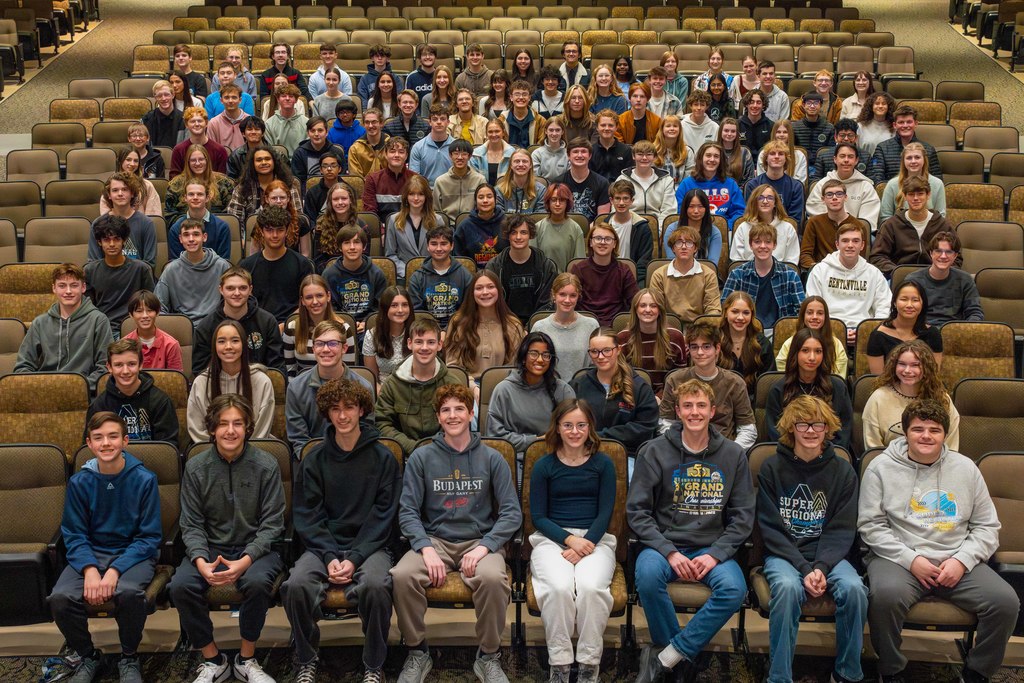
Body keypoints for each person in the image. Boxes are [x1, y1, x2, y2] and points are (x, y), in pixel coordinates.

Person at [858, 399, 1018, 683]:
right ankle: (891, 669)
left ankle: (977, 670)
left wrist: (961, 560)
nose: (926, 436)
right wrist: (912, 560)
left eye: (934, 430)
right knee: (884, 597)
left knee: (1005, 602)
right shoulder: (880, 468)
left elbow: (987, 526)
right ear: (905, 433)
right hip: (900, 559)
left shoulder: (966, 468)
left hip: (955, 558)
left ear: (945, 434)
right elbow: (871, 526)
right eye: (918, 429)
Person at [391, 384, 521, 682]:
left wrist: (484, 547)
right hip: (435, 540)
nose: (453, 416)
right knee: (401, 575)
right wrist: (425, 548)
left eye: (459, 409)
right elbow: (408, 511)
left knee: (491, 579)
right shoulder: (422, 458)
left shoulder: (492, 458)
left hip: (479, 541)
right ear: (438, 417)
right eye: (446, 410)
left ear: (471, 413)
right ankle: (417, 652)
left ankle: (488, 656)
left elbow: (512, 512)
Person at [629, 377, 753, 683]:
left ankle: (668, 656)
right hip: (665, 546)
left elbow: (742, 516)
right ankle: (679, 660)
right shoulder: (654, 451)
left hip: (710, 548)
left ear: (713, 411)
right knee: (646, 576)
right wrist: (668, 552)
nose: (694, 412)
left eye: (701, 406)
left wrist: (715, 555)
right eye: (687, 406)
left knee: (735, 589)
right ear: (678, 412)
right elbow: (637, 512)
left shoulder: (733, 455)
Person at [284, 377, 399, 683]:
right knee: (296, 585)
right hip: (325, 546)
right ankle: (307, 657)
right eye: (335, 409)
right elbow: (308, 515)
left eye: (349, 407)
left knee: (376, 586)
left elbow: (383, 516)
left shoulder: (384, 458)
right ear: (326, 414)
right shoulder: (314, 460)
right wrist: (330, 556)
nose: (343, 415)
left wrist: (355, 557)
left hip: (370, 546)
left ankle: (374, 664)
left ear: (362, 410)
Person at [169, 394, 285, 683]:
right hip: (210, 547)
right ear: (212, 429)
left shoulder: (267, 465)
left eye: (237, 423)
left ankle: (246, 659)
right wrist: (199, 560)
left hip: (254, 549)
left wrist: (245, 561)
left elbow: (273, 524)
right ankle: (214, 660)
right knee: (180, 586)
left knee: (258, 583)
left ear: (248, 427)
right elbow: (191, 523)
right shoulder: (196, 467)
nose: (230, 430)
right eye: (223, 424)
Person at [758, 395, 867, 683]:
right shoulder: (771, 468)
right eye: (802, 424)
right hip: (784, 555)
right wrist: (804, 569)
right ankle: (780, 677)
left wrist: (821, 566)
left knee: (855, 589)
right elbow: (771, 529)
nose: (810, 431)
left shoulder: (843, 470)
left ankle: (847, 673)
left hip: (829, 556)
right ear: (790, 428)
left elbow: (842, 529)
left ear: (827, 428)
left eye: (817, 424)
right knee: (786, 587)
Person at [49, 411, 161, 683]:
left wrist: (113, 572)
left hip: (133, 554)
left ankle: (129, 656)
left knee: (128, 592)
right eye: (98, 438)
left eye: (113, 436)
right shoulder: (79, 482)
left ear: (126, 441)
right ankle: (88, 655)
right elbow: (74, 534)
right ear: (89, 444)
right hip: (92, 552)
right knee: (60, 597)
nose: (106, 443)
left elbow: (149, 537)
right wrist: (89, 569)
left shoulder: (145, 479)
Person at [529, 398, 617, 683]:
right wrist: (569, 540)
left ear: (590, 427)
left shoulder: (603, 464)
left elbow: (606, 512)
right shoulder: (544, 465)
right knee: (558, 587)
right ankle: (561, 664)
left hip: (596, 539)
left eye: (581, 425)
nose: (575, 431)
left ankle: (589, 665)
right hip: (552, 539)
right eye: (568, 425)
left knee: (591, 588)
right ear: (557, 427)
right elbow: (539, 516)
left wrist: (585, 544)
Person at [15, 263, 113, 391]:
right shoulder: (40, 323)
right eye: (62, 286)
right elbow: (23, 366)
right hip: (44, 392)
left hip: (83, 392)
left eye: (74, 285)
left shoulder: (99, 320)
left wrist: (76, 388)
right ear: (54, 288)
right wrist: (41, 388)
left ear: (83, 287)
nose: (68, 291)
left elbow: (105, 367)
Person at [659, 320, 757, 448]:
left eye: (706, 346)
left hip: (723, 450)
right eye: (694, 347)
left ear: (717, 348)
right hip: (682, 449)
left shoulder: (735, 382)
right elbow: (665, 423)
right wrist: (681, 448)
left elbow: (747, 429)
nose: (700, 352)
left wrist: (730, 453)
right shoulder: (674, 380)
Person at [373, 315, 460, 455]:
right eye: (419, 342)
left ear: (439, 345)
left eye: (431, 342)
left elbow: (459, 422)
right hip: (404, 454)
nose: (424, 348)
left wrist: (434, 448)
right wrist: (413, 448)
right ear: (409, 343)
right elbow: (383, 423)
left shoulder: (452, 383)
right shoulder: (392, 384)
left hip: (444, 453)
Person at [570, 329, 659, 465]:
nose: (600, 356)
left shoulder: (639, 387)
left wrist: (598, 436)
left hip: (626, 455)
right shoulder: (578, 385)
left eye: (606, 350)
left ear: (618, 350)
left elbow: (645, 427)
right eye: (594, 351)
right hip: (583, 452)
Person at [285, 318, 372, 455]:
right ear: (313, 349)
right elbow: (299, 440)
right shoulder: (295, 388)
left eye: (333, 343)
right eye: (320, 344)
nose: (326, 349)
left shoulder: (363, 387)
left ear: (344, 348)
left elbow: (367, 432)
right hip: (313, 461)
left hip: (354, 456)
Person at [486, 331, 576, 458]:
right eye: (534, 353)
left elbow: (574, 431)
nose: (540, 360)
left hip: (556, 458)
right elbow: (495, 438)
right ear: (523, 357)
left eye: (546, 355)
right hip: (515, 460)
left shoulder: (563, 390)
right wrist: (536, 441)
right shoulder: (503, 390)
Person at [187, 319, 274, 444]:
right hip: (211, 453)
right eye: (221, 341)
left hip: (253, 453)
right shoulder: (201, 382)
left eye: (235, 341)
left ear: (244, 344)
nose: (228, 347)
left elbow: (261, 430)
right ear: (214, 346)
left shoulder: (262, 382)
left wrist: (242, 453)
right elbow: (198, 430)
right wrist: (222, 452)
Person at [766, 328, 853, 450]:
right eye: (805, 350)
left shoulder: (838, 387)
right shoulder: (779, 389)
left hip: (829, 456)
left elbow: (844, 431)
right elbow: (775, 432)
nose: (812, 357)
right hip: (790, 457)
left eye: (818, 351)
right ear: (795, 353)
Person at [864, 340, 959, 450]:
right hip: (889, 464)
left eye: (915, 365)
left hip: (936, 465)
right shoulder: (878, 398)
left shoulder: (942, 398)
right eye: (902, 364)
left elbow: (951, 446)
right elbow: (873, 447)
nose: (907, 370)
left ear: (927, 368)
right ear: (894, 366)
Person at [806, 222, 890, 345]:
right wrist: (836, 331)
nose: (850, 245)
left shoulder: (874, 273)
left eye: (855, 241)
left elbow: (884, 307)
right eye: (845, 241)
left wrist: (866, 331)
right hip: (827, 332)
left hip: (865, 333)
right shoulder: (820, 270)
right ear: (837, 244)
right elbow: (813, 308)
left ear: (862, 245)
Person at [192, 266, 285, 376]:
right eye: (230, 288)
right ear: (221, 290)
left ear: (250, 289)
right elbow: (199, 370)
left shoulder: (267, 322)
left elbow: (276, 368)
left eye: (242, 288)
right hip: (218, 386)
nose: (237, 293)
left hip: (258, 385)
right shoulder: (206, 326)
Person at [86, 338, 179, 444]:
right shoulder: (99, 406)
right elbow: (90, 447)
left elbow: (168, 447)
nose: (125, 371)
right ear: (109, 367)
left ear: (140, 365)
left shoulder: (160, 401)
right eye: (118, 365)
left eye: (131, 364)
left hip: (152, 460)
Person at [444, 270, 526, 382]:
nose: (485, 292)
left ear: (499, 291)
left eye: (490, 287)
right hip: (466, 387)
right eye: (479, 288)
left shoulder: (513, 324)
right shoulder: (458, 322)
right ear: (472, 293)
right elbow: (453, 366)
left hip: (503, 386)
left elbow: (515, 367)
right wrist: (472, 387)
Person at [721, 222, 805, 330]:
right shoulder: (737, 275)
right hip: (746, 330)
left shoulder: (790, 275)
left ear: (774, 245)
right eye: (757, 242)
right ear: (751, 245)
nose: (762, 246)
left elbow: (802, 310)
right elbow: (725, 307)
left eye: (768, 242)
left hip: (780, 332)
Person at [238, 206, 314, 324]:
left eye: (279, 230)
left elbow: (308, 301)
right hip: (259, 324)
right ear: (262, 232)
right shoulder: (247, 266)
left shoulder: (302, 264)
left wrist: (286, 324)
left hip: (294, 325)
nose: (274, 235)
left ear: (287, 231)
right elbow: (245, 303)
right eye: (269, 230)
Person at [871, 177, 958, 277]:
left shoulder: (942, 225)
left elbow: (957, 256)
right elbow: (877, 256)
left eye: (920, 194)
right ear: (904, 196)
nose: (916, 198)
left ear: (928, 195)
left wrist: (939, 271)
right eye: (911, 194)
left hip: (935, 277)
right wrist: (898, 272)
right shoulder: (892, 224)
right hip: (901, 278)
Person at [85, 215, 156, 335]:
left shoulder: (141, 269)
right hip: (101, 329)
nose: (112, 244)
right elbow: (89, 309)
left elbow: (150, 305)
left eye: (116, 239)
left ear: (124, 240)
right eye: (106, 239)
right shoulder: (90, 271)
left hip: (134, 328)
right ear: (99, 242)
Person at [485, 214, 559, 325]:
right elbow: (491, 303)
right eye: (514, 232)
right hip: (503, 323)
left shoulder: (547, 266)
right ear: (507, 236)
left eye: (523, 232)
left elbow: (548, 304)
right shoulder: (494, 267)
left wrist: (530, 327)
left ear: (530, 235)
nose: (518, 237)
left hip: (538, 324)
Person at [156, 218, 231, 322]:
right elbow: (158, 305)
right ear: (180, 239)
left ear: (204, 237)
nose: (191, 239)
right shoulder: (171, 270)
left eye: (196, 234)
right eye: (186, 235)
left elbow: (232, 301)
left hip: (215, 324)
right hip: (183, 326)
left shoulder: (222, 266)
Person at [615, 288, 687, 397]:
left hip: (667, 398)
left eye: (653, 306)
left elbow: (680, 377)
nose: (648, 310)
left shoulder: (675, 337)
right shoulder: (622, 338)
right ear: (635, 309)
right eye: (643, 305)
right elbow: (620, 377)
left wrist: (660, 397)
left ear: (660, 310)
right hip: (633, 397)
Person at [284, 275, 355, 379]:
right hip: (303, 389)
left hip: (338, 389)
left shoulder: (344, 329)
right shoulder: (292, 328)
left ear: (328, 296)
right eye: (309, 297)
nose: (315, 302)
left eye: (319, 296)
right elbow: (291, 372)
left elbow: (349, 371)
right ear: (302, 301)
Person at [649, 225, 723, 325]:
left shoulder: (708, 274)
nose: (684, 247)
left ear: (696, 248)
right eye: (679, 243)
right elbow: (656, 309)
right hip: (667, 327)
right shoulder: (659, 275)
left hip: (700, 328)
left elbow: (713, 311)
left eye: (689, 243)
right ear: (673, 248)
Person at [570, 223, 640, 327]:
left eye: (608, 239)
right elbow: (572, 302)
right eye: (598, 238)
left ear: (614, 244)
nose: (602, 242)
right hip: (584, 324)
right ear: (590, 242)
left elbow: (635, 301)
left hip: (616, 325)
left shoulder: (623, 270)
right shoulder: (578, 269)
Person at [905, 232, 983, 325]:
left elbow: (975, 313)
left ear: (955, 256)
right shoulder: (914, 280)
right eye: (938, 251)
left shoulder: (965, 280)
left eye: (948, 252)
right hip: (921, 332)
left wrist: (964, 330)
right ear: (931, 253)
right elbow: (906, 312)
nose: (943, 256)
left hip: (954, 332)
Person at [533, 273, 600, 380]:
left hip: (583, 388)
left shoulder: (591, 325)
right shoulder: (540, 327)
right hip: (549, 389)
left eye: (573, 295)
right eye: (562, 294)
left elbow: (597, 364)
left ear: (578, 296)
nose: (567, 300)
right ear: (554, 295)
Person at [866, 280, 943, 374]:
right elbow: (878, 378)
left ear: (922, 304)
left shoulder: (932, 333)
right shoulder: (878, 336)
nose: (909, 305)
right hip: (888, 387)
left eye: (915, 300)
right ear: (894, 302)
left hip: (924, 387)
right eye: (904, 299)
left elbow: (934, 375)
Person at [407, 224, 474, 331]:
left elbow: (468, 311)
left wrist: (447, 331)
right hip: (426, 332)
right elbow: (417, 314)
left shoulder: (465, 275)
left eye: (444, 244)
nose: (438, 249)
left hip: (458, 330)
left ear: (452, 246)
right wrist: (436, 333)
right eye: (434, 244)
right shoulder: (417, 278)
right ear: (427, 246)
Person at [805, 142, 881, 235]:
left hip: (856, 236)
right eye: (842, 156)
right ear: (835, 159)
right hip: (826, 234)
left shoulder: (866, 187)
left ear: (856, 160)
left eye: (850, 157)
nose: (846, 160)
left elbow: (867, 222)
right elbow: (815, 215)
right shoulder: (822, 185)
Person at [323, 225, 388, 331]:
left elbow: (380, 307)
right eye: (347, 243)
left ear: (364, 246)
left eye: (356, 242)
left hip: (370, 326)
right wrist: (346, 323)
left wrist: (366, 323)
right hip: (339, 325)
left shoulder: (376, 273)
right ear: (340, 247)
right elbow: (329, 308)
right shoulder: (329, 275)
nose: (352, 247)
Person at [226, 144, 303, 230]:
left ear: (274, 162)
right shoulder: (242, 188)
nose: (263, 163)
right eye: (259, 160)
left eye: (267, 159)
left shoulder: (288, 185)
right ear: (253, 164)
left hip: (286, 236)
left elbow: (297, 217)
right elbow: (235, 221)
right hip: (251, 237)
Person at [89, 173, 157, 267]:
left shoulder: (146, 223)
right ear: (109, 195)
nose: (120, 194)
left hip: (136, 278)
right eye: (115, 190)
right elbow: (93, 263)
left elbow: (150, 263)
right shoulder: (98, 224)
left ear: (132, 193)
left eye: (125, 189)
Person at [799, 178, 868, 270]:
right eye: (829, 194)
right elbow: (805, 255)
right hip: (821, 272)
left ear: (845, 197)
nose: (834, 198)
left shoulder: (859, 226)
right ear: (823, 199)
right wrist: (819, 269)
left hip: (849, 273)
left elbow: (860, 257)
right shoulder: (814, 222)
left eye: (839, 194)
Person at [383, 175, 444, 280]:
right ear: (406, 196)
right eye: (412, 194)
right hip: (404, 276)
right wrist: (408, 271)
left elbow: (443, 251)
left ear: (426, 197)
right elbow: (390, 255)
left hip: (432, 275)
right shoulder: (394, 220)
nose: (416, 198)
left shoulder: (437, 220)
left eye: (420, 194)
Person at [868, 104, 943, 185]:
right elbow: (878, 180)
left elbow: (937, 180)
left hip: (921, 195)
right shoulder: (882, 148)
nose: (905, 125)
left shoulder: (928, 149)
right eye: (901, 122)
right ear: (894, 125)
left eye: (909, 122)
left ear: (916, 124)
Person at [675, 142, 745, 229]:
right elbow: (679, 212)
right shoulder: (687, 184)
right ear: (700, 158)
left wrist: (726, 227)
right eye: (708, 155)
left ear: (721, 160)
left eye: (716, 156)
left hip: (724, 231)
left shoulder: (731, 184)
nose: (712, 159)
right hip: (693, 230)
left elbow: (739, 212)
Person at [718, 291, 775, 396]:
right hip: (720, 402)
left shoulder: (763, 344)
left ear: (752, 315)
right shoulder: (714, 341)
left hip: (753, 403)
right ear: (725, 313)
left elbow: (768, 383)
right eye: (735, 312)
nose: (740, 317)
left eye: (746, 313)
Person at [775, 296, 849, 375]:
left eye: (820, 313)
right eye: (810, 313)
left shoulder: (836, 344)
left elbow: (839, 379)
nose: (814, 317)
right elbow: (783, 375)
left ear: (826, 317)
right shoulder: (789, 343)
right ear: (803, 316)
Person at [732, 183, 800, 264]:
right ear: (754, 202)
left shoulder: (788, 228)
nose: (765, 201)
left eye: (770, 198)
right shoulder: (743, 227)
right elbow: (737, 259)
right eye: (760, 198)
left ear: (775, 203)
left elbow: (792, 260)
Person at [880, 142, 947, 223]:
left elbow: (941, 216)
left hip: (929, 231)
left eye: (917, 157)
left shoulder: (937, 184)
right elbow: (886, 217)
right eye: (909, 158)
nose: (913, 161)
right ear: (903, 161)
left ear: (924, 160)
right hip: (898, 231)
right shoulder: (892, 184)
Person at [744, 141, 805, 227]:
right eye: (772, 154)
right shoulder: (753, 185)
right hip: (757, 230)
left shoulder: (796, 187)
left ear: (786, 159)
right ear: (766, 158)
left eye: (780, 154)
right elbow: (750, 215)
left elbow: (794, 220)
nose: (776, 157)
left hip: (785, 231)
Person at [605, 180, 655, 283]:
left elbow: (643, 261)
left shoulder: (642, 227)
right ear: (611, 200)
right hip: (607, 275)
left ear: (632, 200)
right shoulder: (605, 225)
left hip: (632, 277)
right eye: (618, 198)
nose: (621, 203)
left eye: (625, 198)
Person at [617, 141, 676, 227]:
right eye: (640, 154)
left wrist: (658, 231)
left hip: (656, 225)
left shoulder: (666, 180)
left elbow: (668, 211)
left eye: (649, 154)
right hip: (629, 225)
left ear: (654, 157)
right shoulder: (622, 179)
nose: (644, 158)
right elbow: (617, 209)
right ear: (633, 156)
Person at [168, 180, 232, 261]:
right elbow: (175, 263)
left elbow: (224, 263)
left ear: (207, 198)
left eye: (200, 194)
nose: (195, 197)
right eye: (191, 194)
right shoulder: (176, 229)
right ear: (185, 198)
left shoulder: (222, 227)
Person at [361, 286, 412, 387]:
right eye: (394, 305)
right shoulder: (371, 336)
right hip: (384, 390)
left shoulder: (418, 333)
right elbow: (372, 379)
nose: (400, 310)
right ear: (385, 308)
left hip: (413, 390)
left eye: (405, 305)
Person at [123, 291, 185, 372]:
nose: (145, 315)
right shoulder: (124, 344)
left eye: (150, 310)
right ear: (131, 315)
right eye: (139, 311)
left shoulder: (171, 345)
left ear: (158, 312)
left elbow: (176, 380)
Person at [313, 181, 368, 272]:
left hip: (356, 272)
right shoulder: (321, 225)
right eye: (335, 199)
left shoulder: (362, 226)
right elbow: (318, 261)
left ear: (350, 200)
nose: (340, 202)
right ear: (330, 202)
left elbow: (365, 258)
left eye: (344, 198)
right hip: (330, 274)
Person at [361, 136, 418, 223]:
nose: (396, 155)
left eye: (401, 152)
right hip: (383, 230)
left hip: (409, 229)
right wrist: (382, 233)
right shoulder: (373, 179)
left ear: (406, 156)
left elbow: (420, 211)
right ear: (385, 154)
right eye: (392, 151)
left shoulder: (416, 179)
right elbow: (370, 213)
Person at [454, 183, 507, 269]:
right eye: (481, 197)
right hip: (473, 276)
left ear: (496, 200)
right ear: (475, 201)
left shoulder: (507, 223)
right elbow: (459, 258)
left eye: (489, 197)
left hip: (502, 274)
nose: (485, 200)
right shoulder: (464, 226)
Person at [666, 188, 723, 266]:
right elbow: (671, 260)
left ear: (706, 209)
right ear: (685, 208)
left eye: (700, 206)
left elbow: (712, 264)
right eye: (691, 206)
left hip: (704, 274)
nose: (696, 211)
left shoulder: (714, 232)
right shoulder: (672, 229)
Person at [433, 139, 486, 219]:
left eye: (464, 154)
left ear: (470, 156)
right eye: (456, 154)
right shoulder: (440, 181)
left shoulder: (479, 180)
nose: (460, 157)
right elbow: (436, 210)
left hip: (472, 223)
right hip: (447, 226)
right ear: (450, 156)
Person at [170, 107, 228, 180]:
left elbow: (223, 179)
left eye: (200, 121)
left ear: (206, 123)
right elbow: (174, 178)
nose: (197, 124)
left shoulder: (219, 150)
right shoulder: (178, 150)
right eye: (192, 121)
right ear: (186, 125)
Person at [102, 146, 160, 216]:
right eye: (128, 159)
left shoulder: (147, 185)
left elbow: (153, 215)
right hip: (115, 225)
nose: (132, 164)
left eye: (136, 161)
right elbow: (105, 216)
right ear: (120, 161)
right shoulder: (111, 184)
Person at [291, 116, 345, 190]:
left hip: (334, 192)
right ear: (308, 133)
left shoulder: (336, 152)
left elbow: (342, 177)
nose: (316, 134)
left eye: (320, 130)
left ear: (326, 132)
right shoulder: (300, 153)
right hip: (309, 194)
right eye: (312, 131)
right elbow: (299, 181)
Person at [409, 104, 455, 184]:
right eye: (435, 119)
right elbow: (415, 179)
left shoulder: (456, 146)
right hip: (427, 192)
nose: (439, 122)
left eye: (442, 119)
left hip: (451, 192)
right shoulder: (418, 147)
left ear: (448, 122)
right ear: (430, 122)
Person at [811, 119, 864, 184]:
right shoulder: (823, 156)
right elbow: (815, 180)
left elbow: (870, 181)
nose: (846, 139)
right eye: (842, 135)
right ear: (835, 137)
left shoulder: (865, 156)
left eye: (850, 135)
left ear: (856, 138)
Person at [497, 148, 546, 215]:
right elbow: (499, 218)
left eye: (525, 161)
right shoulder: (499, 190)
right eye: (517, 161)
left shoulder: (541, 190)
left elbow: (539, 218)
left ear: (531, 165)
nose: (520, 164)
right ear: (511, 165)